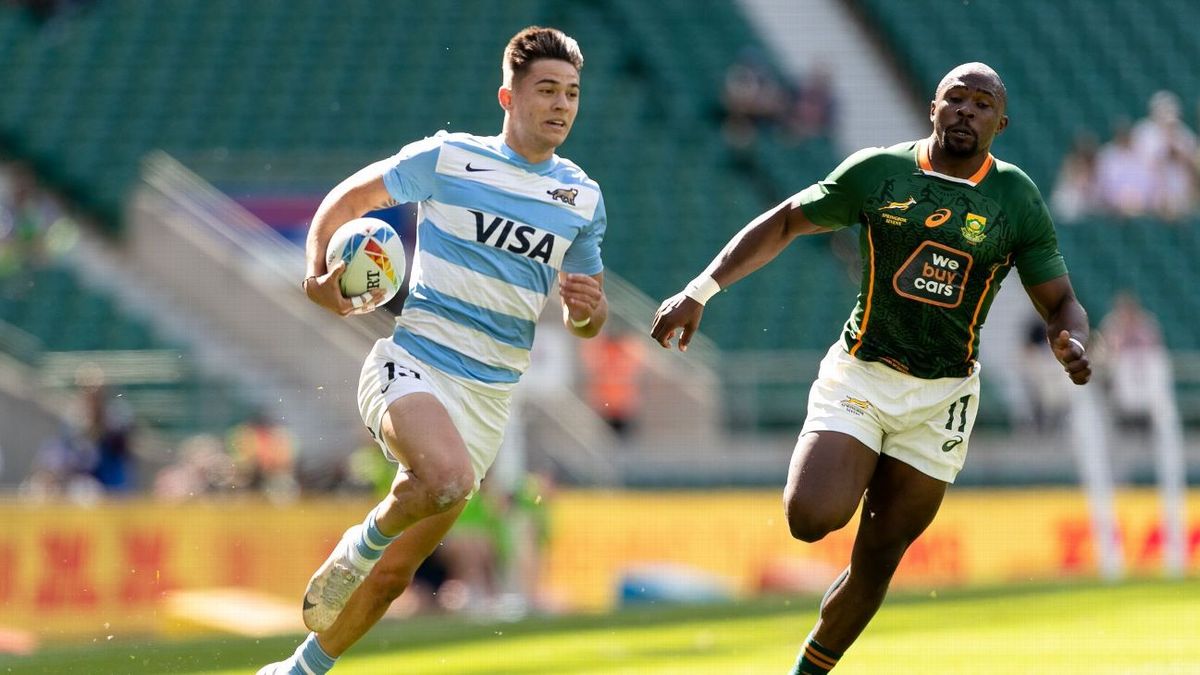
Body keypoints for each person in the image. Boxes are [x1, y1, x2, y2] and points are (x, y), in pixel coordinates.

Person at [651, 62, 1092, 674]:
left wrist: (1070, 341)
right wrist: (701, 290)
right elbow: (784, 220)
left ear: (1001, 122)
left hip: (944, 396)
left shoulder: (1015, 198)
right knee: (811, 519)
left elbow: (1060, 301)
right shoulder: (880, 173)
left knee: (878, 560)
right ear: (932, 108)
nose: (966, 110)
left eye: (982, 103)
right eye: (955, 98)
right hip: (862, 373)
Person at [258, 26, 608, 675]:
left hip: (488, 400)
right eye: (547, 90)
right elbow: (349, 199)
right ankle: (356, 545)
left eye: (572, 93)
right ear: (508, 96)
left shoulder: (581, 199)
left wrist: (587, 314)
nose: (561, 105)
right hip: (413, 364)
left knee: (395, 576)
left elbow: (586, 311)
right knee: (443, 480)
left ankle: (297, 669)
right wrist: (317, 279)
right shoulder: (450, 159)